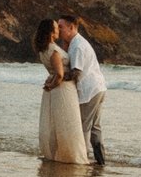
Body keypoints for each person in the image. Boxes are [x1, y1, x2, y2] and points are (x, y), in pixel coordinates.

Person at [33, 18, 90, 165]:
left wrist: (49, 85)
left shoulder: (44, 50)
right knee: (69, 124)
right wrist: (53, 85)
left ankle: (57, 154)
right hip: (63, 90)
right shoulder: (54, 50)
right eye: (56, 28)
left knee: (57, 124)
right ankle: (72, 157)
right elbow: (59, 74)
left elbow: (54, 73)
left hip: (53, 89)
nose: (58, 30)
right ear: (51, 32)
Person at [55, 12, 107, 165]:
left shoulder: (77, 47)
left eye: (61, 27)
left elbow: (75, 73)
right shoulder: (75, 43)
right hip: (98, 88)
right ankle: (101, 162)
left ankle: (82, 160)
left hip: (89, 91)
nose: (58, 30)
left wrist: (57, 80)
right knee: (95, 128)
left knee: (83, 126)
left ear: (71, 28)